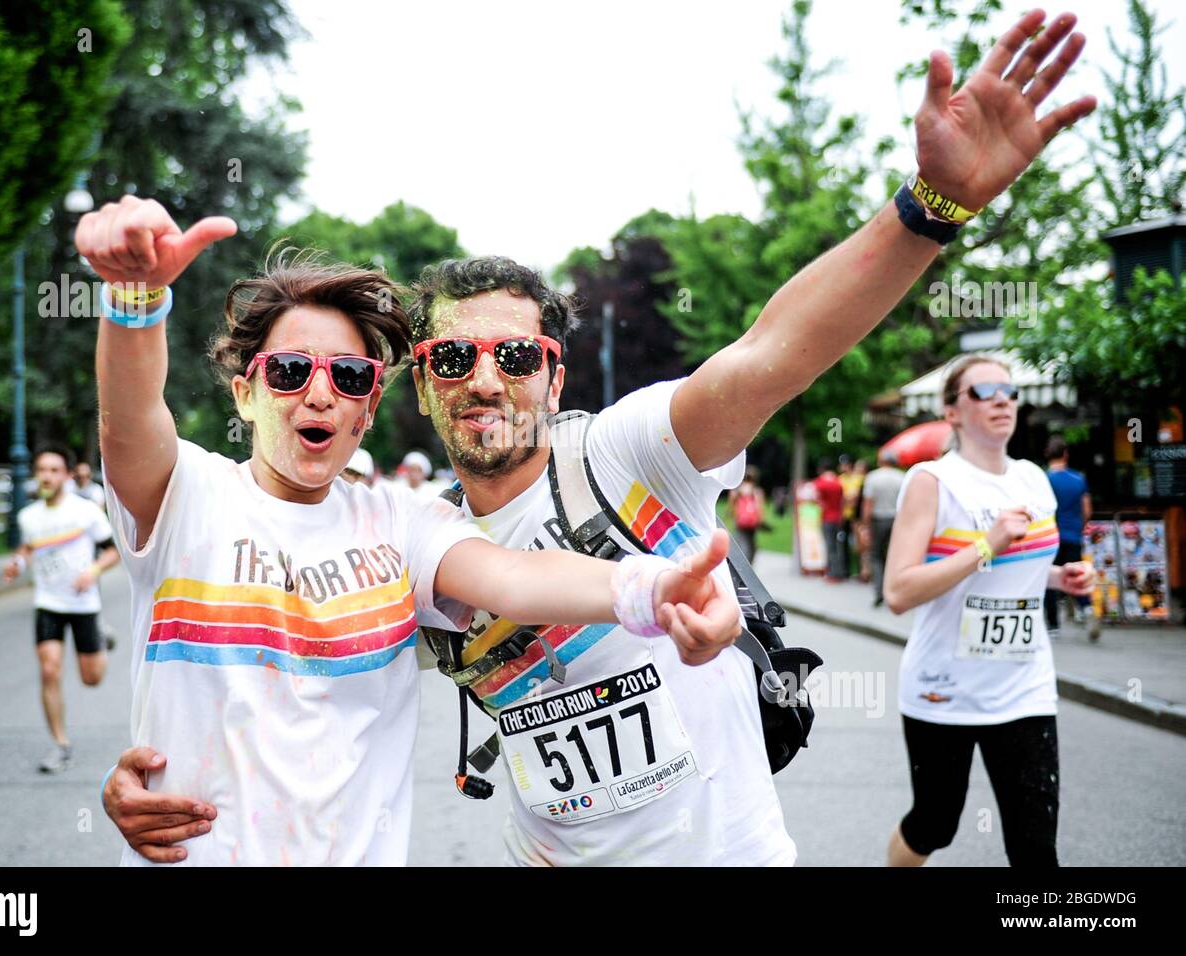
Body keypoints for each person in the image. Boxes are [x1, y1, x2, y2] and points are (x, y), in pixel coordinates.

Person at [98, 9, 1095, 866]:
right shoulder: (407, 538)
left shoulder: (627, 454)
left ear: (555, 371)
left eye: (515, 356)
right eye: (451, 360)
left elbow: (773, 351)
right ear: (413, 389)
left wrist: (927, 211)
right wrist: (151, 771)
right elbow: (287, 689)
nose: (485, 378)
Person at [77, 203, 740, 866]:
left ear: (366, 412)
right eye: (289, 371)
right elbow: (129, 417)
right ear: (247, 394)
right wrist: (135, 296)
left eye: (350, 376)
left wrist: (647, 588)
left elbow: (516, 579)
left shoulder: (399, 522)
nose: (319, 393)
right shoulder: (184, 496)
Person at [882, 355, 1094, 867]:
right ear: (952, 412)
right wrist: (986, 543)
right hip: (945, 686)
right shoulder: (933, 481)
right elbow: (899, 591)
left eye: (1009, 390)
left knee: (1034, 847)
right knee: (934, 823)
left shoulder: (1032, 479)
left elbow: (1014, 571)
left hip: (1025, 686)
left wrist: (1059, 578)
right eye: (983, 392)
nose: (1002, 399)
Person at [3, 447, 121, 773]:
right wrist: (17, 562)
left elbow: (113, 551)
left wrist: (92, 572)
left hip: (83, 604)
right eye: (42, 469)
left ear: (68, 476)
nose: (47, 476)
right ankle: (60, 744)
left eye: (55, 470)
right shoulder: (29, 516)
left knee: (92, 678)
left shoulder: (85, 512)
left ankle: (101, 636)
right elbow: (28, 547)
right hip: (48, 603)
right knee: (49, 669)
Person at [1043, 436, 1097, 641]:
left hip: (1051, 538)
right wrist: (1079, 527)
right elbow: (1087, 510)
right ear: (1065, 454)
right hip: (1073, 535)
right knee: (1077, 576)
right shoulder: (1078, 479)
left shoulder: (1044, 480)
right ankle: (1088, 609)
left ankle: (1053, 626)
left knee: (1049, 579)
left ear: (1047, 455)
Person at [862, 450, 904, 607]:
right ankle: (892, 590)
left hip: (878, 519)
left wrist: (865, 525)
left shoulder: (873, 477)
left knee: (876, 555)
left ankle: (879, 590)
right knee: (893, 556)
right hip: (896, 520)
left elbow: (868, 504)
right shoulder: (901, 477)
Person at [728, 465, 770, 564]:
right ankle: (748, 563)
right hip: (752, 523)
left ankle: (741, 564)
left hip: (740, 521)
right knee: (751, 544)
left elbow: (731, 506)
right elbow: (760, 507)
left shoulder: (737, 490)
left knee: (740, 542)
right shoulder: (757, 491)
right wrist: (762, 521)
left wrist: (731, 514)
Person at [814, 458, 847, 581]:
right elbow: (843, 500)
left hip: (826, 517)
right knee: (838, 545)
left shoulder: (820, 482)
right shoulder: (838, 482)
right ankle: (841, 571)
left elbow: (815, 498)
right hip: (838, 517)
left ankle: (833, 573)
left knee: (830, 546)